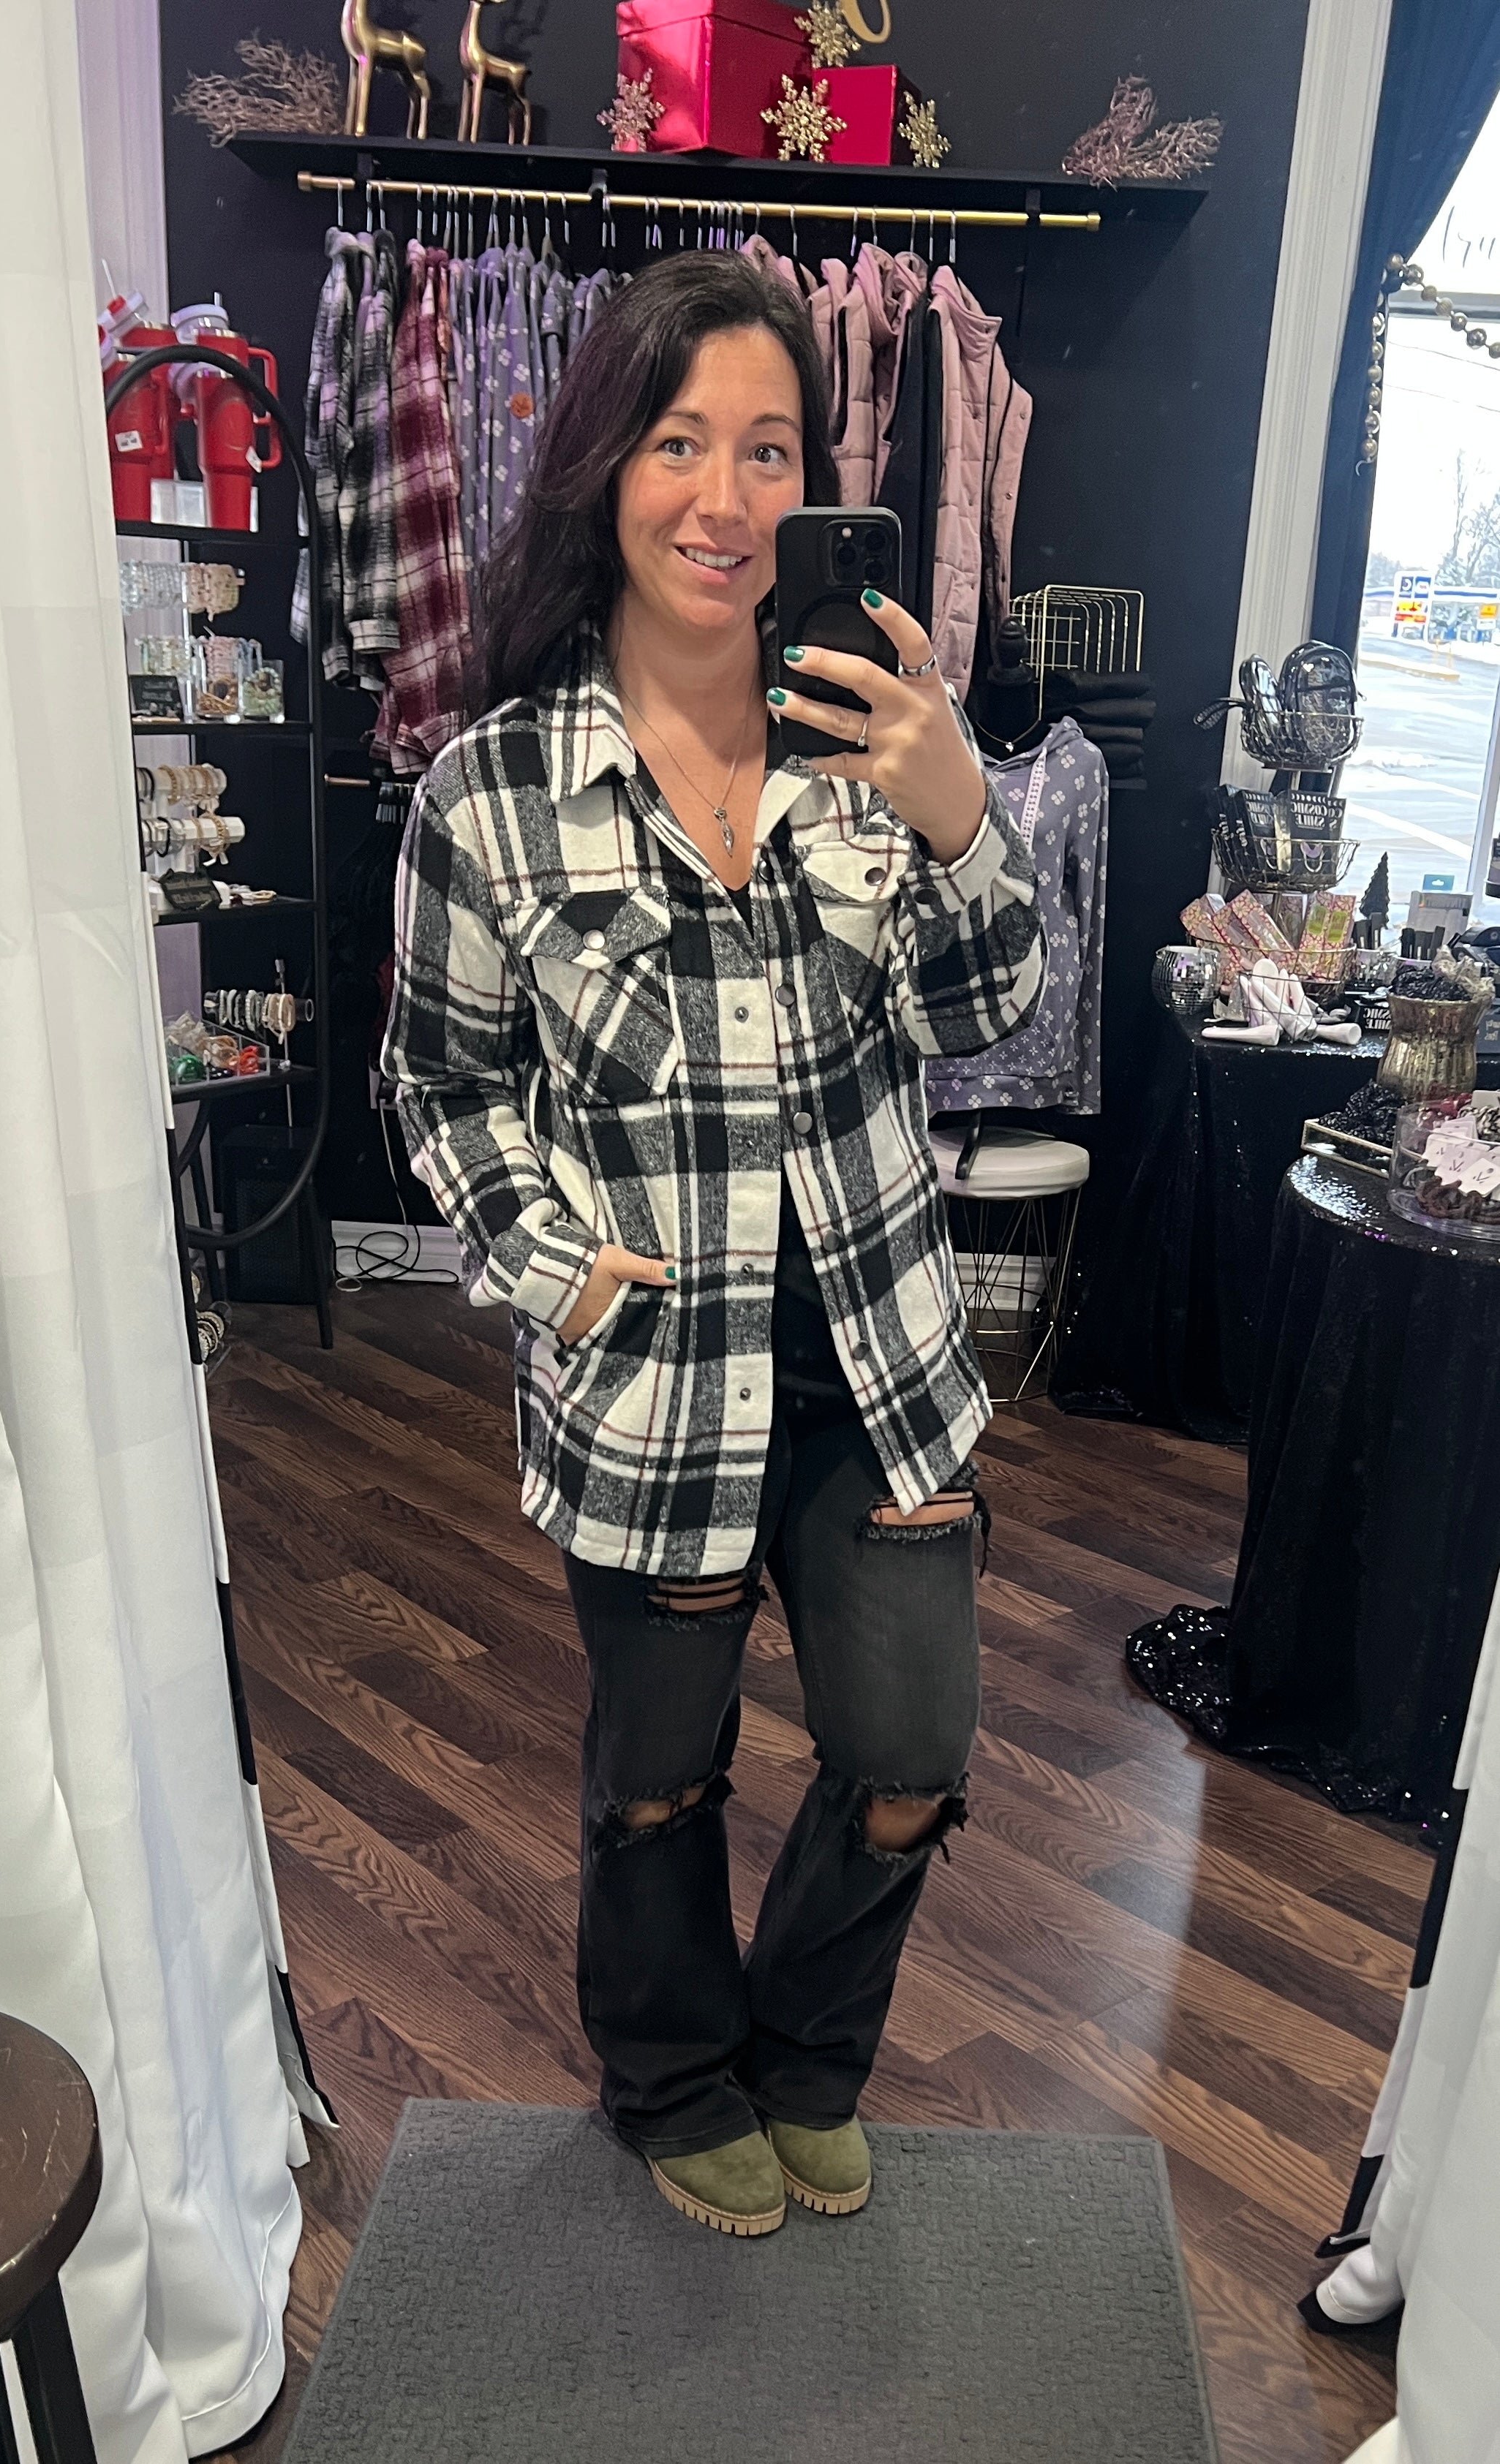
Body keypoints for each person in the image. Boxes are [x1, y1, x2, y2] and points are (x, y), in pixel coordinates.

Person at [384, 253, 1044, 2237]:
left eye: (771, 450)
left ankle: (805, 2057)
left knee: (910, 1748)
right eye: (681, 442)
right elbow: (441, 1088)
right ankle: (673, 2076)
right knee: (658, 1776)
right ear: (605, 464)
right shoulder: (492, 795)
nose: (726, 497)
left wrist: (959, 814)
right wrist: (554, 1265)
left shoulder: (874, 738)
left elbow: (991, 1006)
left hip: (877, 1359)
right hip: (654, 1369)